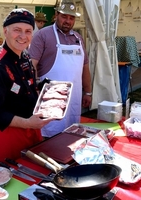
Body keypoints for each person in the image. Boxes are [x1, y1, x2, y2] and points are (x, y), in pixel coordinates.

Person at [0, 8, 53, 167]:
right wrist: (28, 124)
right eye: (17, 30)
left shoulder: (25, 55)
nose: (23, 36)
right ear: (5, 31)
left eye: (28, 31)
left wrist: (47, 89)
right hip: (8, 135)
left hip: (32, 128)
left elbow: (28, 88)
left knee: (35, 175)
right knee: (11, 180)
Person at [29, 0, 92, 138]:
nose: (68, 21)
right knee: (50, 134)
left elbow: (85, 67)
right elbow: (31, 65)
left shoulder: (78, 38)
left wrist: (88, 92)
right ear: (56, 15)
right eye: (64, 16)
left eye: (71, 18)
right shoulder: (42, 35)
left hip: (74, 97)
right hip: (51, 97)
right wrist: (34, 90)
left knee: (71, 134)